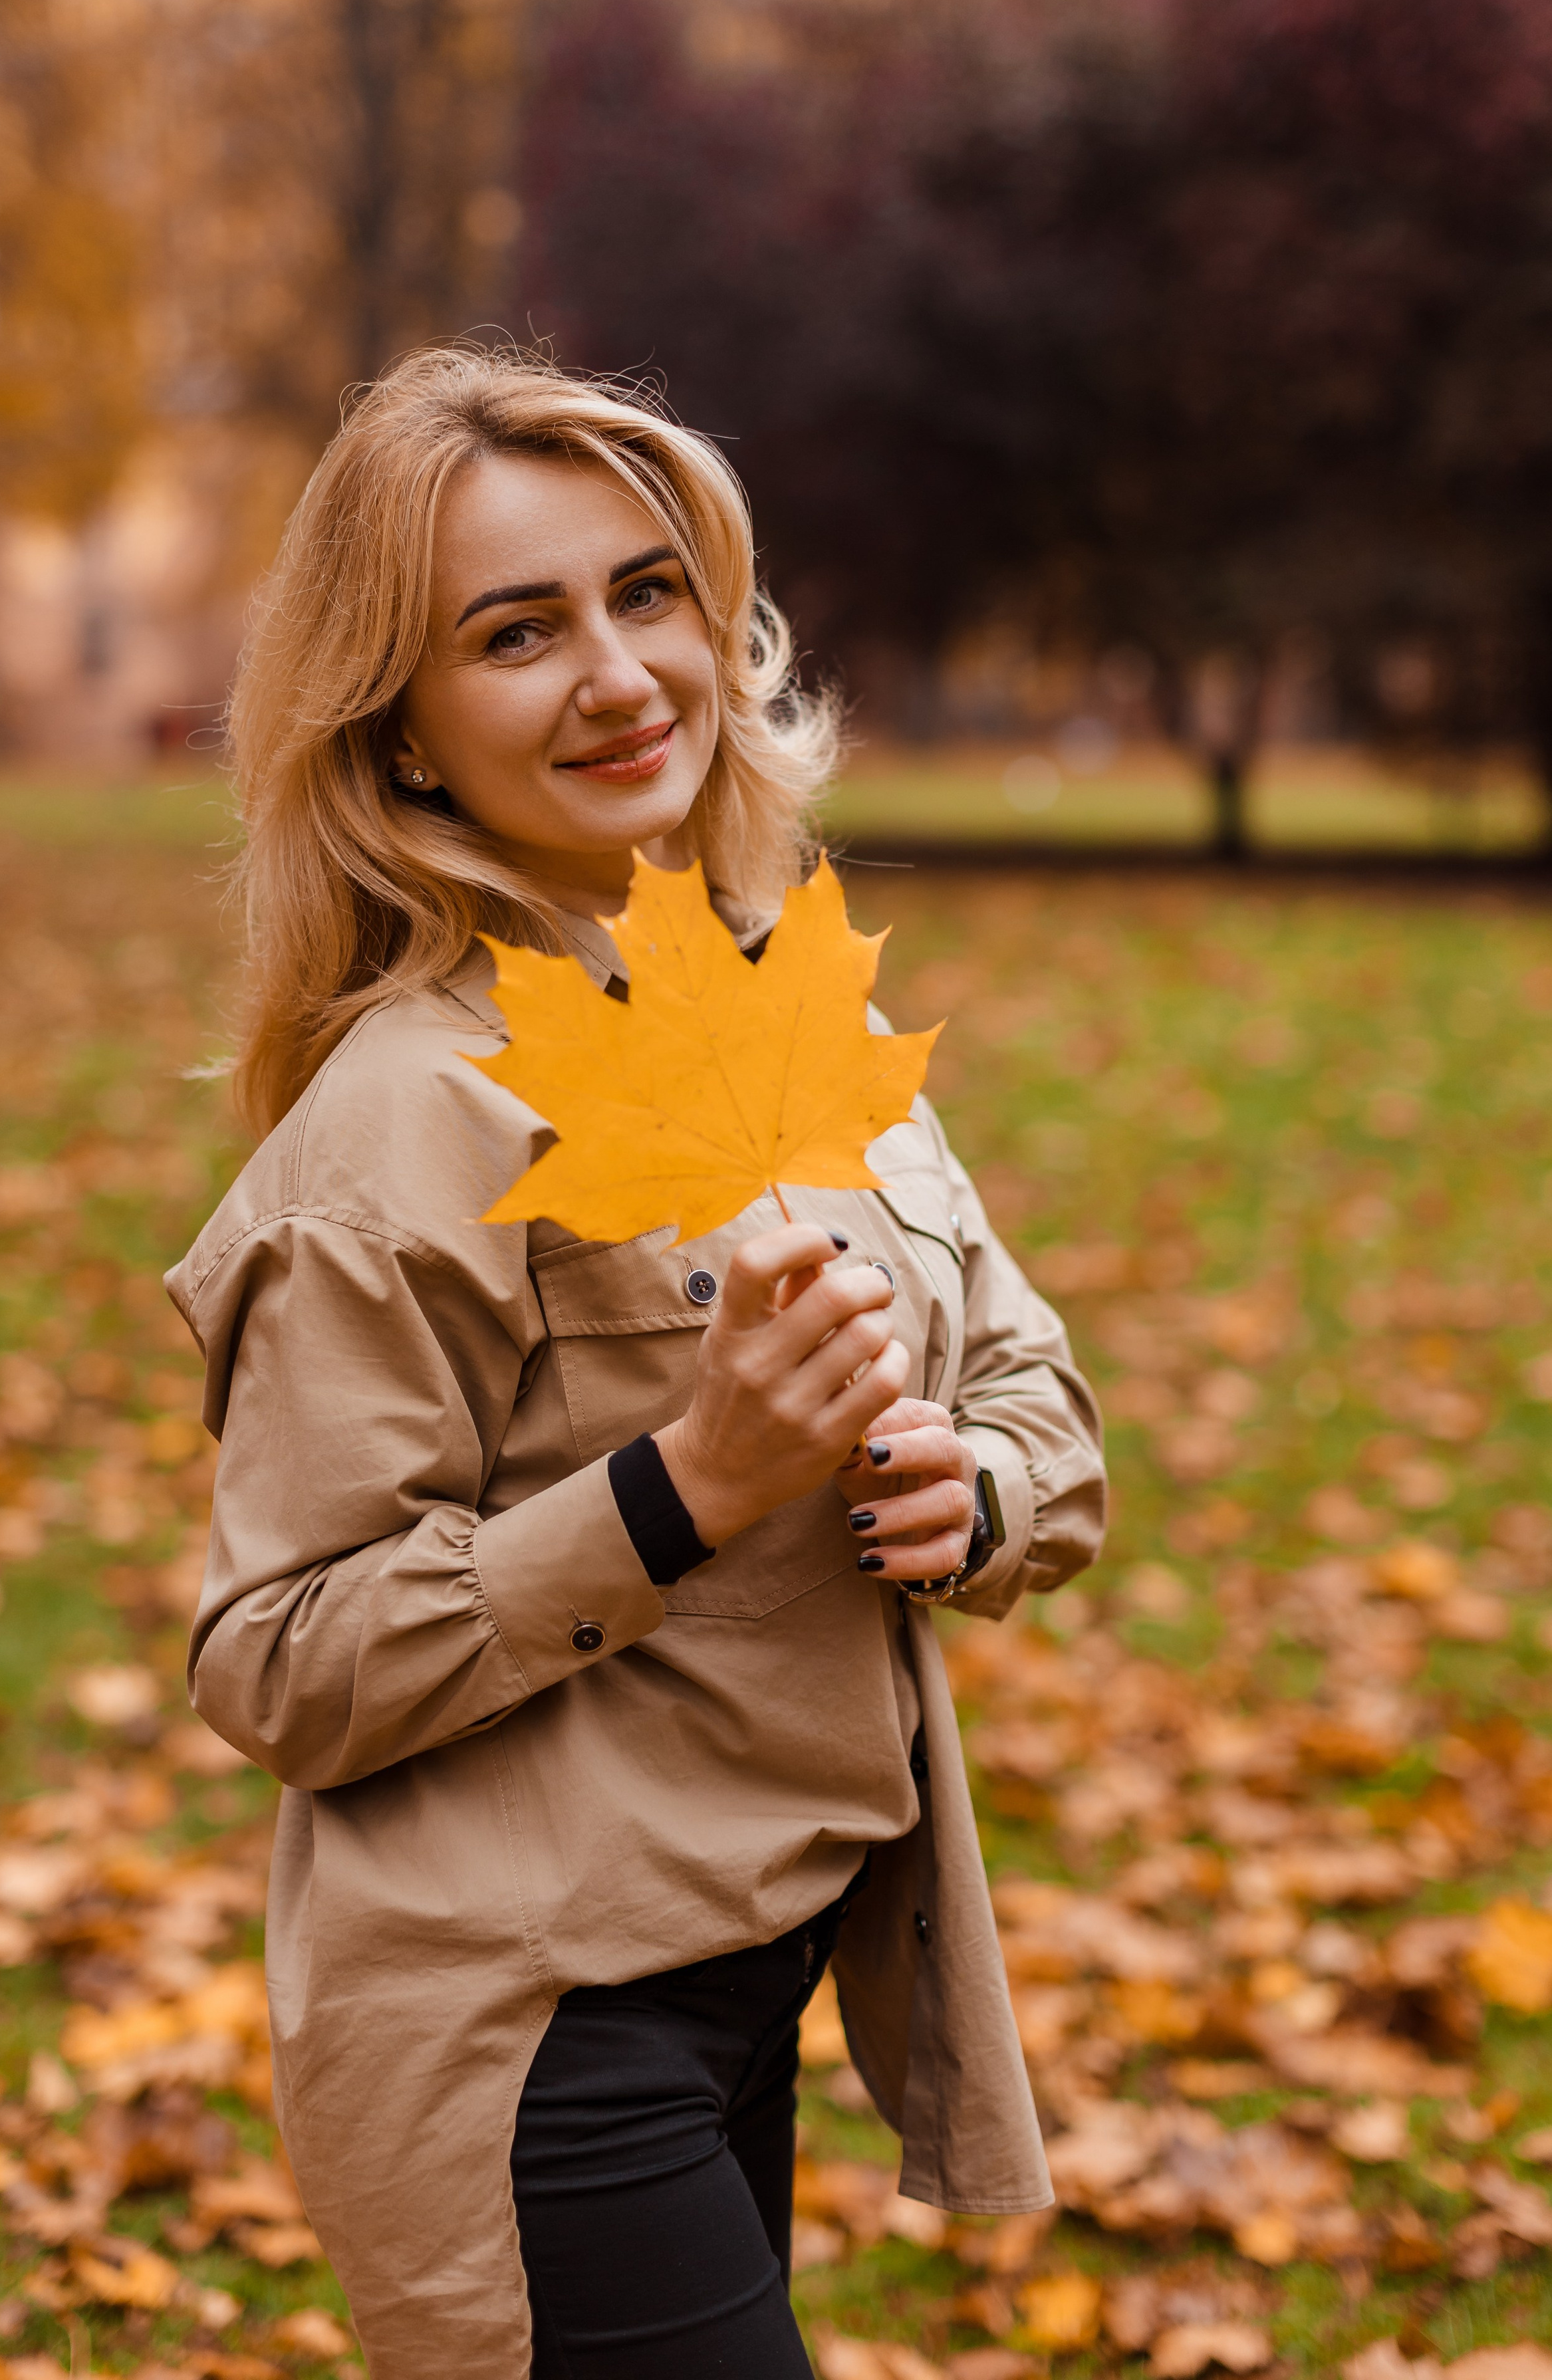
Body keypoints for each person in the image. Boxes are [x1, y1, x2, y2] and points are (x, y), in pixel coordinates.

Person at [167, 346, 1106, 2380]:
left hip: (746, 1956)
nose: (618, 676)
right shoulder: (396, 1132)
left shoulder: (776, 1005)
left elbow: (1041, 1392)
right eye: (516, 634)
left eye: (646, 592)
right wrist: (683, 1491)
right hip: (534, 2019)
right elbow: (279, 1660)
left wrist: (981, 1489)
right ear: (399, 732)